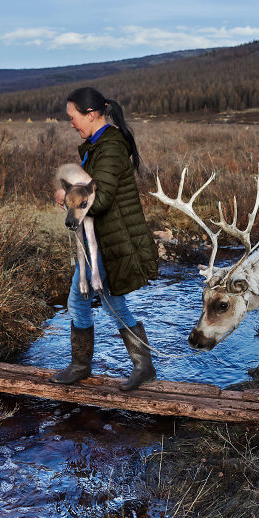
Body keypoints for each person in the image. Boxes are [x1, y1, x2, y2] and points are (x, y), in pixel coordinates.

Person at [52, 87, 159, 391]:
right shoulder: (97, 144)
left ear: (91, 114)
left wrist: (67, 196)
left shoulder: (109, 146)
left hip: (112, 240)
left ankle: (123, 366)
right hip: (98, 240)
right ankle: (87, 365)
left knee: (106, 304)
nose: (71, 123)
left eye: (73, 117)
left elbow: (101, 201)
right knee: (88, 300)